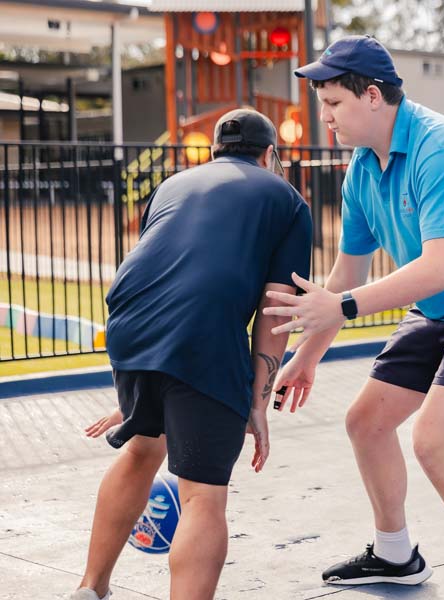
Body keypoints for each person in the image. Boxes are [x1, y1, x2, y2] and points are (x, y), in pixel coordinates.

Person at [263, 36, 444, 600]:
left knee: (435, 441)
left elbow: (441, 267)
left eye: (333, 103)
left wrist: (340, 307)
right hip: (443, 307)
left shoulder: (441, 149)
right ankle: (396, 555)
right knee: (365, 422)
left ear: (373, 96)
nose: (325, 117)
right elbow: (345, 277)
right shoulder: (362, 170)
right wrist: (306, 356)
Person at [71, 109, 313, 600]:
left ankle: (90, 589)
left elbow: (166, 269)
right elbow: (276, 307)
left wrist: (143, 393)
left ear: (215, 151)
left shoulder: (172, 185)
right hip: (201, 331)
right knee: (202, 493)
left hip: (129, 323)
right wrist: (257, 402)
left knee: (143, 449)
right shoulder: (286, 199)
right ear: (270, 154)